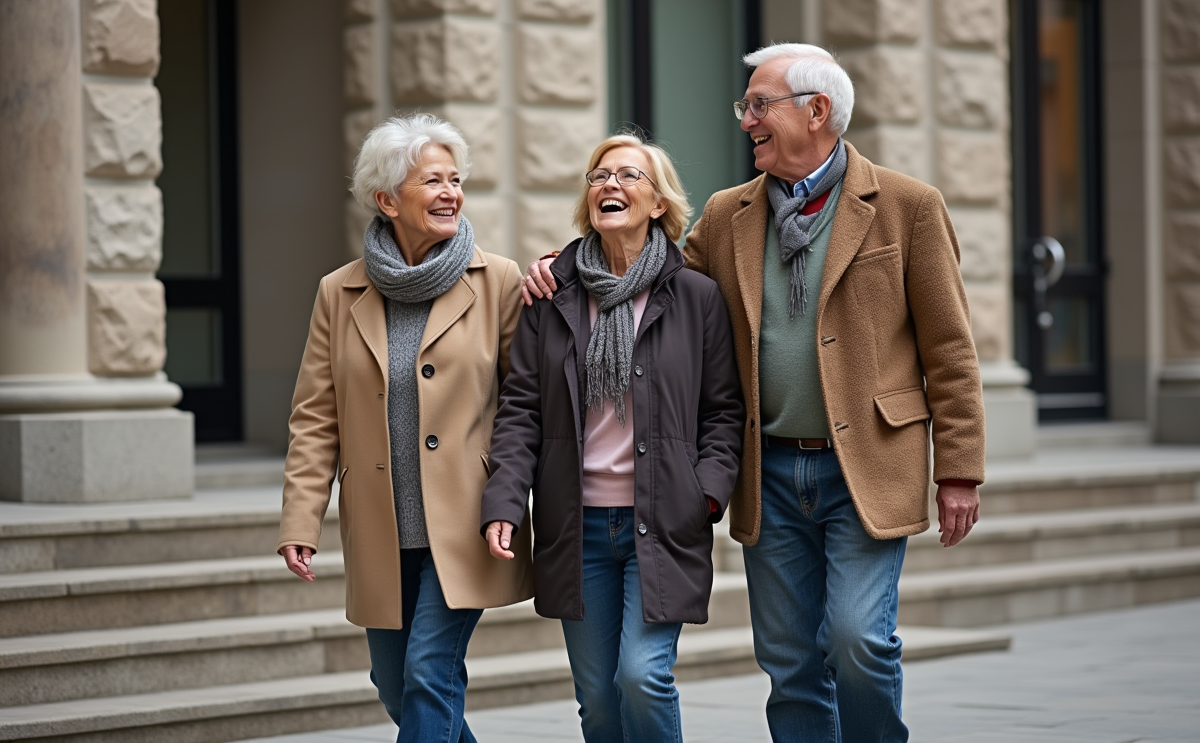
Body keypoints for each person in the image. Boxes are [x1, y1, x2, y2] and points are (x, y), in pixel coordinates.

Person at [523, 44, 986, 743]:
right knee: (790, 662)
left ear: (818, 111)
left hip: (865, 465)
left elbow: (950, 350)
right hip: (768, 472)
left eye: (758, 105)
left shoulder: (908, 207)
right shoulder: (729, 213)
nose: (746, 121)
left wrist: (959, 468)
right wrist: (563, 263)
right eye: (747, 107)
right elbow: (649, 268)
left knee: (860, 642)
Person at [277, 113, 534, 743]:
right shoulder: (338, 292)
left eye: (455, 179)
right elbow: (315, 415)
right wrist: (299, 520)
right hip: (381, 526)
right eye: (432, 181)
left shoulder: (498, 280)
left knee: (428, 673)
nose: (451, 192)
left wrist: (509, 496)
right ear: (387, 199)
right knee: (396, 686)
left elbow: (524, 403)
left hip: (466, 521)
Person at [481, 133, 745, 743]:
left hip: (664, 519)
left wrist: (705, 493)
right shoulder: (550, 297)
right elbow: (521, 408)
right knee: (597, 701)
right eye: (599, 176)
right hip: (578, 528)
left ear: (658, 203)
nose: (610, 185)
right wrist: (503, 502)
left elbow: (723, 410)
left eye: (629, 175)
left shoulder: (696, 297)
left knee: (642, 677)